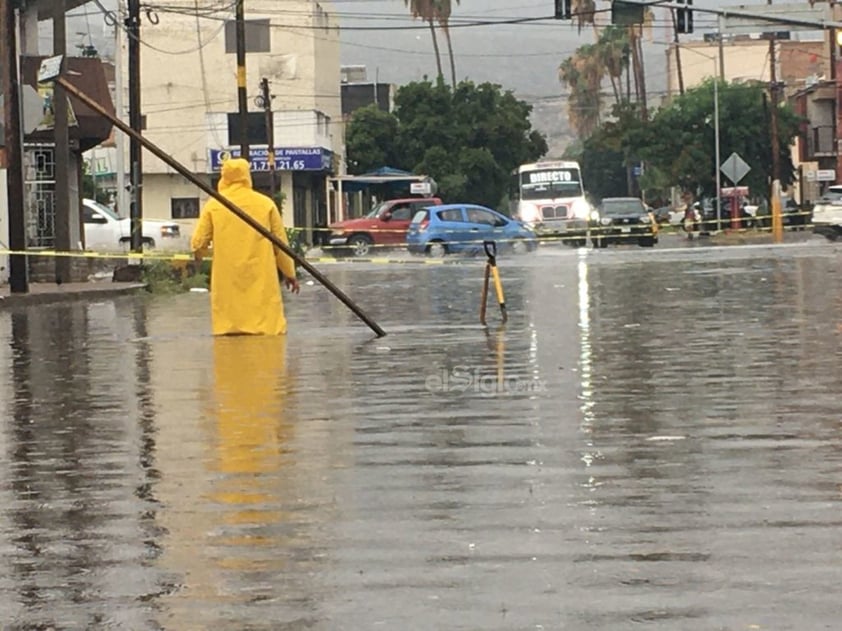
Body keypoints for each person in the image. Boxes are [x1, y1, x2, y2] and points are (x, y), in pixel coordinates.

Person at [191, 157, 300, 336]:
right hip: (261, 281)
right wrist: (289, 273)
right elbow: (280, 243)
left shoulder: (214, 205)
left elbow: (198, 243)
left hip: (227, 284)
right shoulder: (266, 204)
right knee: (267, 348)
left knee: (228, 349)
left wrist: (203, 256)